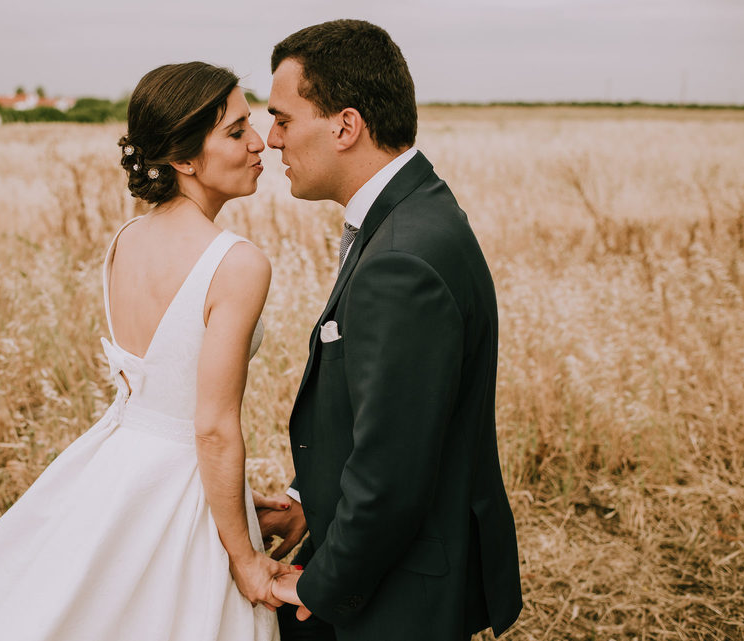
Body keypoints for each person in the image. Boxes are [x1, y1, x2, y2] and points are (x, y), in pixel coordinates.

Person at [0, 61, 290, 641]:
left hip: (119, 467)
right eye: (235, 130)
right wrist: (245, 558)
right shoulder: (238, 262)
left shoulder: (126, 240)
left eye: (252, 123)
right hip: (179, 480)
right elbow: (213, 427)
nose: (259, 143)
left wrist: (233, 498)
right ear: (182, 158)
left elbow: (160, 391)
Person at [253, 20, 523, 641]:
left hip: (400, 594)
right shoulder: (415, 210)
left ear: (345, 126)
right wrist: (307, 502)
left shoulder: (400, 259)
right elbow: (394, 416)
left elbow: (391, 472)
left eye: (284, 119)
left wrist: (320, 583)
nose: (271, 141)